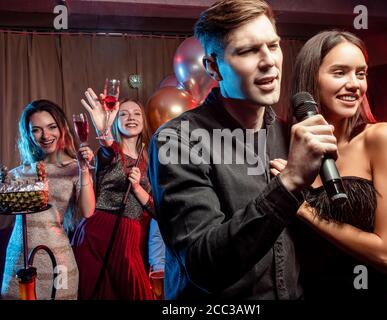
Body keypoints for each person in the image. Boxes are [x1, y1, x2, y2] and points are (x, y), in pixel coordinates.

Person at [148, 0, 339, 299]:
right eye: (248, 51)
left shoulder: (290, 134)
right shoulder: (177, 140)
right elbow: (204, 266)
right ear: (213, 67)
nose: (269, 61)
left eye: (273, 46)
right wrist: (287, 183)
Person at [270, 30, 387, 299]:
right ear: (311, 79)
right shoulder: (285, 142)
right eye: (339, 72)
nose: (355, 84)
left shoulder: (381, 137)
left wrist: (306, 211)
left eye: (361, 73)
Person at [1, 99, 94, 300]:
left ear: (62, 127)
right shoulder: (17, 174)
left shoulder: (74, 168)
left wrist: (84, 170)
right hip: (19, 259)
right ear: (28, 133)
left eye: (52, 127)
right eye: (36, 130)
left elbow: (88, 211)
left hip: (57, 260)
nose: (45, 135)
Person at [72, 94, 160, 300]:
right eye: (124, 114)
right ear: (116, 120)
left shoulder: (152, 159)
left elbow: (158, 210)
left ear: (144, 120)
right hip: (96, 234)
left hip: (129, 234)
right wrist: (104, 131)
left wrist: (138, 189)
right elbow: (108, 151)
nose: (131, 117)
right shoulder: (109, 154)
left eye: (137, 113)